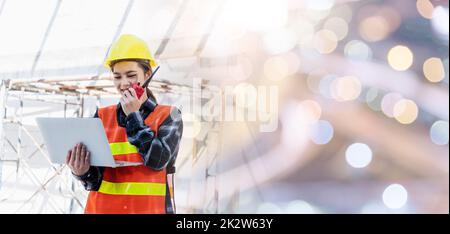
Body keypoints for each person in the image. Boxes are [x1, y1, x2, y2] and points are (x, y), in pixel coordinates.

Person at [65, 34, 183, 214]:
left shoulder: (169, 115)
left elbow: (157, 161)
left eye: (131, 75)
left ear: (148, 74)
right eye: (117, 77)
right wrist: (81, 172)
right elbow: (95, 181)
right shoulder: (102, 116)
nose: (123, 83)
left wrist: (134, 116)